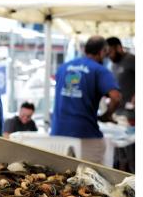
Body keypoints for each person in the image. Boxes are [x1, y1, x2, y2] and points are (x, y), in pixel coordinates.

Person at [51, 36, 121, 164]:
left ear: (85, 50)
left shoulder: (63, 68)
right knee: (92, 177)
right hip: (86, 135)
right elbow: (116, 97)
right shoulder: (100, 70)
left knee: (61, 176)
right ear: (102, 51)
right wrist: (107, 115)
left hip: (57, 133)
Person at [106, 37, 135, 118]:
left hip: (131, 112)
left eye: (110, 52)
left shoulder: (132, 59)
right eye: (107, 54)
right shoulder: (113, 64)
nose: (109, 56)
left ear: (119, 48)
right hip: (118, 111)